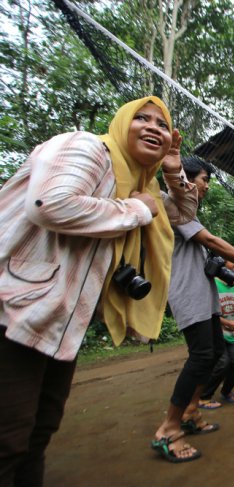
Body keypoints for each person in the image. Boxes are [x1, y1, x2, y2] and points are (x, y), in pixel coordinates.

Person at [0, 96, 199, 481]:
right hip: (11, 312)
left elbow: (181, 214)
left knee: (38, 434)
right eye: (141, 118)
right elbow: (49, 203)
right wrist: (138, 209)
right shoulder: (85, 147)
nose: (153, 127)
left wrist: (172, 174)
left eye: (162, 123)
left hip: (58, 324)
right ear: (121, 123)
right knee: (7, 441)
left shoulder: (140, 182)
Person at [153, 156, 234, 463]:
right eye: (204, 179)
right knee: (201, 356)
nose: (206, 185)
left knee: (216, 352)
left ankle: (192, 411)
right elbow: (209, 239)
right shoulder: (172, 205)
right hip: (186, 291)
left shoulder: (186, 211)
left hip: (204, 293)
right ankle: (169, 427)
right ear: (185, 180)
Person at [198, 260, 234, 409]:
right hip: (216, 332)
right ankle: (204, 397)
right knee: (222, 363)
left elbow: (232, 308)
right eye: (232, 265)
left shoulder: (232, 286)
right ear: (223, 268)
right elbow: (207, 311)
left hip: (231, 333)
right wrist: (226, 323)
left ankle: (227, 391)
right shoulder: (212, 285)